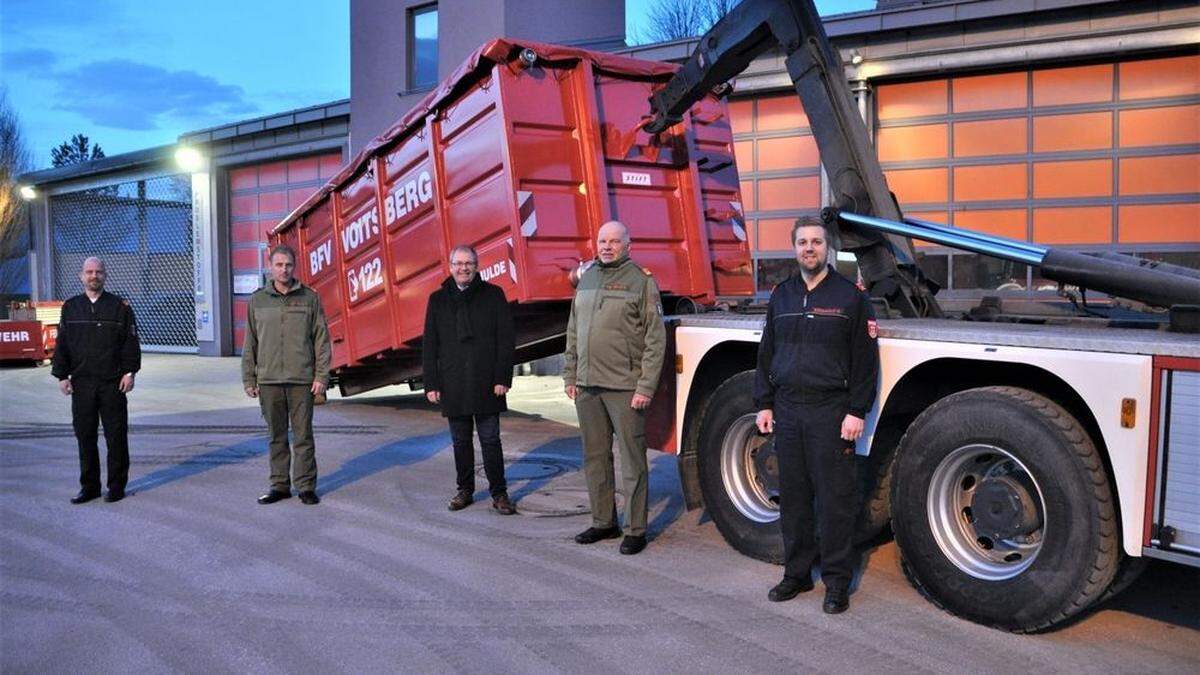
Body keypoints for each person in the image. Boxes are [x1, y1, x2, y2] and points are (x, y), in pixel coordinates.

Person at [753, 215, 880, 614]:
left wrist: (856, 411)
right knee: (793, 500)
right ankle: (796, 574)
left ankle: (837, 583)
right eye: (803, 242)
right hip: (788, 410)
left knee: (835, 502)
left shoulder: (850, 296)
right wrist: (765, 402)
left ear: (829, 249)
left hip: (831, 413)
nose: (809, 248)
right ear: (794, 248)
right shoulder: (783, 295)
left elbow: (865, 361)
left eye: (817, 242)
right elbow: (766, 353)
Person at [563, 221, 665, 555]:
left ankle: (635, 529)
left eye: (614, 241)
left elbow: (654, 338)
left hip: (625, 387)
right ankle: (603, 522)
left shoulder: (641, 281)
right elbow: (574, 331)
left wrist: (645, 387)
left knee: (632, 459)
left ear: (628, 244)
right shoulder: (588, 278)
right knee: (595, 457)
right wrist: (570, 376)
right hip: (587, 385)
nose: (607, 247)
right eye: (602, 241)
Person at [422, 244, 517, 515]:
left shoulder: (493, 295)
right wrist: (432, 383)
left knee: (490, 440)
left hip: (488, 381)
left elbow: (505, 339)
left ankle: (499, 493)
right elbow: (431, 344)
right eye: (458, 263)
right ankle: (465, 490)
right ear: (450, 266)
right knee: (460, 442)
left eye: (469, 263)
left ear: (477, 266)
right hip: (453, 382)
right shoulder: (437, 300)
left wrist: (503, 377)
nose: (463, 268)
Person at [242, 244, 331, 506]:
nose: (284, 269)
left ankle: (305, 486)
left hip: (301, 380)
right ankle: (279, 485)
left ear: (294, 267)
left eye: (288, 265)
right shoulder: (257, 300)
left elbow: (321, 341)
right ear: (271, 266)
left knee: (303, 436)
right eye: (279, 265)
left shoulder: (309, 298)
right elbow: (251, 343)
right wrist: (249, 378)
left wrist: (321, 377)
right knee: (276, 437)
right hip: (269, 380)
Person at [52, 257, 141, 504]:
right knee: (85, 436)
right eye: (89, 272)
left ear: (105, 275)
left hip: (112, 383)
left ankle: (116, 487)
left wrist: (129, 372)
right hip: (82, 384)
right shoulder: (70, 307)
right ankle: (89, 487)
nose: (94, 276)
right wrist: (62, 375)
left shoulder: (120, 307)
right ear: (81, 276)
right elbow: (63, 344)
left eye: (98, 272)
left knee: (116, 436)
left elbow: (130, 343)